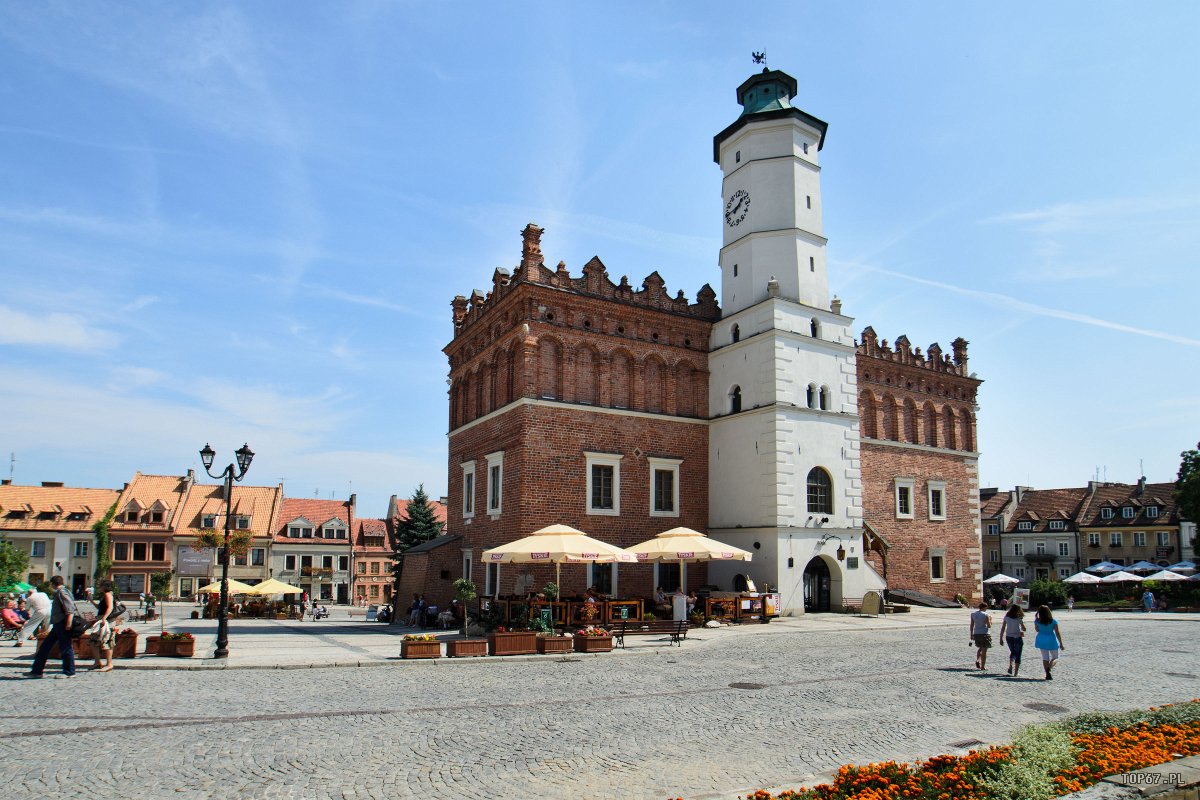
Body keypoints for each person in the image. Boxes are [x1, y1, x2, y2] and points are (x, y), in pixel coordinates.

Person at [27, 575, 80, 678]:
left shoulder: (62, 592)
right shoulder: (62, 592)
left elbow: (70, 608)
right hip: (58, 624)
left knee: (65, 647)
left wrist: (68, 623)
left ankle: (69, 672)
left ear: (53, 584)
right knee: (45, 646)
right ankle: (36, 671)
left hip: (62, 624)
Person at [90, 579, 123, 673]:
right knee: (93, 641)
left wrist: (104, 618)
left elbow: (110, 607)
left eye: (101, 586)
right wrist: (91, 600)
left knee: (107, 641)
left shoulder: (108, 595)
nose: (99, 587)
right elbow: (100, 608)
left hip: (107, 621)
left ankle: (109, 664)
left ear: (104, 586)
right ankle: (97, 662)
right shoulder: (105, 595)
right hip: (102, 620)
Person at [1033, 604, 1065, 680]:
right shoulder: (1053, 621)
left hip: (1041, 639)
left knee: (1045, 658)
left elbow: (1037, 630)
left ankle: (1047, 673)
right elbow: (1057, 633)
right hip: (1051, 639)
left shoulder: (1037, 621)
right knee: (1055, 657)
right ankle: (1049, 667)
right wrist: (1061, 643)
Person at [999, 605, 1026, 676]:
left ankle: (1011, 665)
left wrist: (1001, 638)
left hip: (1009, 636)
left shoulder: (1007, 617)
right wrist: (1022, 628)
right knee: (1018, 654)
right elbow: (1024, 628)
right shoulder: (1019, 618)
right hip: (1017, 637)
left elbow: (1003, 628)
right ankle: (1016, 673)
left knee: (1013, 651)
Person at [969, 601, 992, 671]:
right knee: (984, 650)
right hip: (985, 633)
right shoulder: (986, 615)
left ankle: (978, 660)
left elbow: (972, 625)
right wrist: (990, 620)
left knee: (980, 648)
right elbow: (989, 626)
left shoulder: (973, 614)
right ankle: (983, 666)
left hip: (976, 633)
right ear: (984, 607)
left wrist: (971, 634)